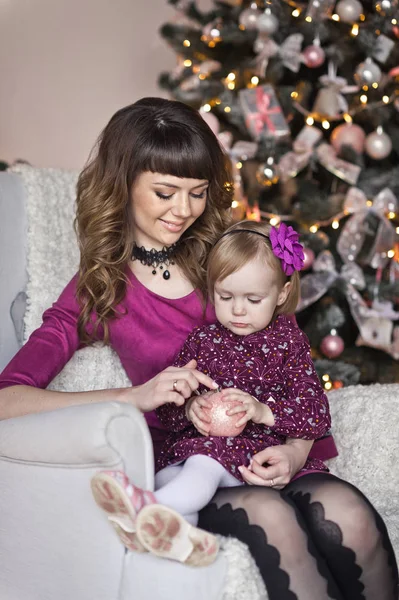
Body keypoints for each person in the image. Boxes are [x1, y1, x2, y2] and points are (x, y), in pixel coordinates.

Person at [0, 97, 397, 598]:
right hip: (197, 463)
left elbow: (291, 362)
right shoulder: (100, 287)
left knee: (351, 517)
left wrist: (295, 453)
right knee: (276, 521)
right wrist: (132, 397)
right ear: (123, 185)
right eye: (165, 192)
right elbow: (7, 399)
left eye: (197, 193)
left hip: (270, 451)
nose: (183, 211)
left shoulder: (231, 254)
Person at [91, 219, 334, 567]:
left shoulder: (288, 342)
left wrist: (262, 411)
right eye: (225, 296)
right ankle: (184, 542)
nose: (237, 310)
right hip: (197, 448)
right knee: (170, 474)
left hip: (249, 458)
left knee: (202, 467)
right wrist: (190, 407)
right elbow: (169, 411)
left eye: (253, 299)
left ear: (280, 294)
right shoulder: (203, 341)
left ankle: (145, 508)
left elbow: (315, 411)